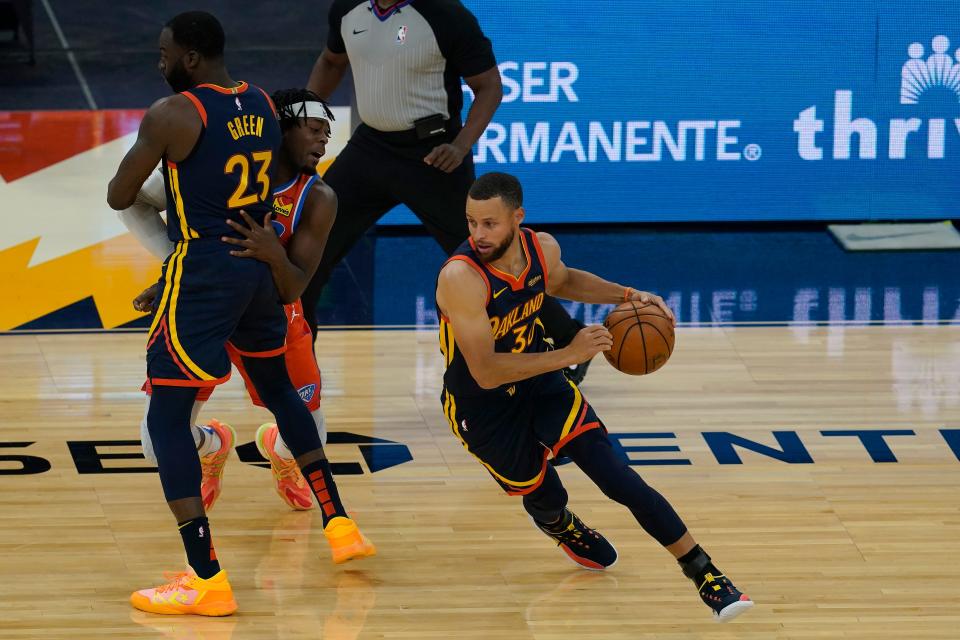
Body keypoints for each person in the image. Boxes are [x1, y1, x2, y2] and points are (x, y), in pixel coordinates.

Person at [107, 12, 373, 617]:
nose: (160, 62)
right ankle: (337, 521)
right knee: (281, 392)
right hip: (255, 269)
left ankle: (205, 578)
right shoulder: (256, 100)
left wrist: (165, 165)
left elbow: (120, 196)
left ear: (191, 58)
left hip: (203, 271)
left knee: (166, 422)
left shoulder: (172, 113)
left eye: (164, 53)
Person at [434, 172, 754, 623]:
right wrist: (569, 353)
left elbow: (563, 281)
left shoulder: (540, 248)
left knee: (616, 475)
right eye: (472, 223)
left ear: (517, 218)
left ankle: (706, 574)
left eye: (490, 224)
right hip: (481, 406)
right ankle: (558, 524)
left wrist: (628, 295)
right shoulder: (461, 277)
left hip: (540, 382)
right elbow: (484, 372)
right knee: (542, 491)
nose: (478, 235)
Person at [303, 0, 592, 383]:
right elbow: (330, 61)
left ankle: (567, 337)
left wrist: (460, 145)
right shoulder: (347, 9)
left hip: (435, 154)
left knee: (492, 260)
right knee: (310, 245)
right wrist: (301, 115)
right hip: (370, 148)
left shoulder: (445, 15)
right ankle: (298, 362)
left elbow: (488, 86)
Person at [124, 88, 344, 515]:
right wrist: (178, 267)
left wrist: (271, 253)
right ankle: (213, 443)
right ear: (280, 129)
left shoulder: (315, 195)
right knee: (154, 445)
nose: (323, 141)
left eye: (326, 133)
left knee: (308, 434)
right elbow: (129, 200)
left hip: (274, 312)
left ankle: (279, 455)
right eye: (315, 130)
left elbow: (292, 287)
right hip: (205, 306)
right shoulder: (209, 164)